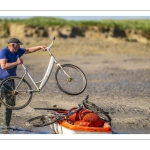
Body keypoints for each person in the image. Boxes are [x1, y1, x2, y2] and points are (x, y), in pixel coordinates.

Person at [0, 38, 47, 131]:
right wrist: (17, 63)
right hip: (1, 81)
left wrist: (40, 47)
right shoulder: (3, 52)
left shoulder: (18, 51)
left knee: (10, 104)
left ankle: (6, 125)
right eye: (18, 45)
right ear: (13, 45)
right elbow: (4, 66)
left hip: (11, 81)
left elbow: (28, 50)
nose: (20, 47)